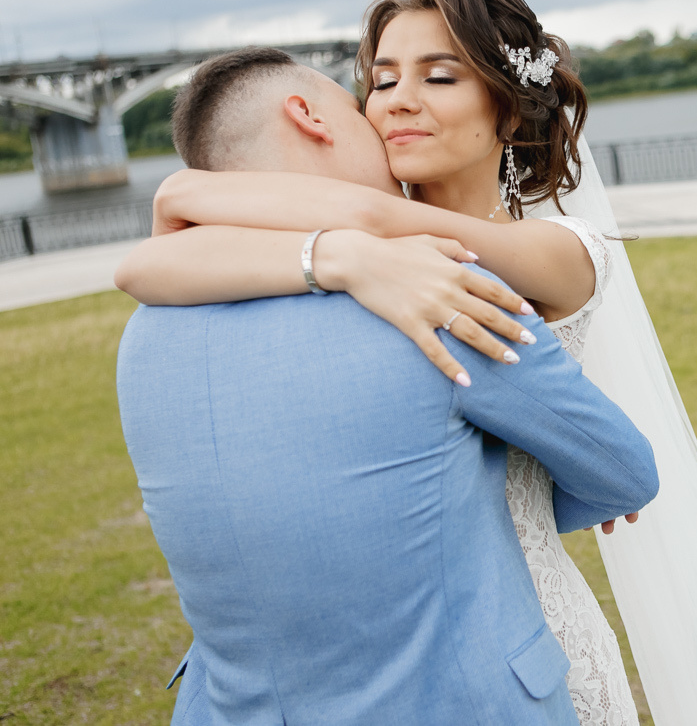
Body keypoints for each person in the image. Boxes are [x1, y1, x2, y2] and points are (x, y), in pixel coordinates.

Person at [118, 0, 697, 724]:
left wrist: (189, 197)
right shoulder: (377, 259)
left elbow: (377, 224)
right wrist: (338, 253)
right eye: (380, 79)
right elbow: (142, 268)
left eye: (438, 75)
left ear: (504, 101)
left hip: (515, 632)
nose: (396, 98)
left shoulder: (545, 251)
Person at [115, 47, 660, 724]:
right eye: (361, 102)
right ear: (310, 117)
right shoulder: (432, 294)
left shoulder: (146, 331)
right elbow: (625, 471)